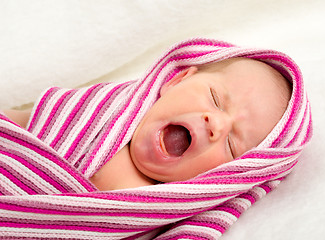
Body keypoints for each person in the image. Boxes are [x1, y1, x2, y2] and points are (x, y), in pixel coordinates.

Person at [2, 57, 291, 191]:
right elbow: (20, 121)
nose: (215, 124)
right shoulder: (100, 105)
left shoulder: (156, 207)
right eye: (215, 98)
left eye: (231, 144)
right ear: (178, 80)